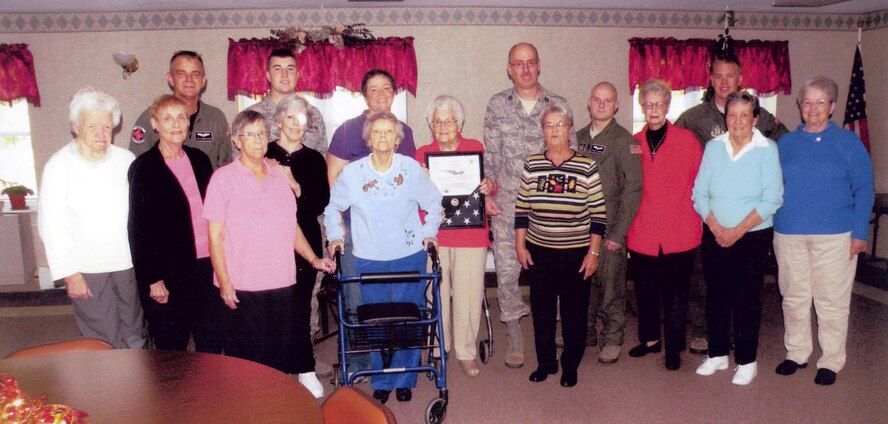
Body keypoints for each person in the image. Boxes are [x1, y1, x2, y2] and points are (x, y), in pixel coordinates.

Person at [203, 110, 335, 398]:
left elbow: (292, 226)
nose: (258, 140)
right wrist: (225, 282)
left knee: (278, 355)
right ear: (236, 140)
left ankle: (275, 406)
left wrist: (313, 258)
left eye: (262, 133)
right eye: (249, 134)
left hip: (282, 281)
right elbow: (214, 238)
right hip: (243, 285)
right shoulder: (222, 179)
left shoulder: (278, 175)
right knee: (248, 359)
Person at [324, 111, 443, 404]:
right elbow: (332, 208)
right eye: (377, 132)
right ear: (368, 139)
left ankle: (405, 376)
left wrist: (429, 233)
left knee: (409, 319)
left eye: (389, 132)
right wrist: (335, 236)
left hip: (409, 255)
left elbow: (435, 203)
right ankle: (382, 379)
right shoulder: (353, 173)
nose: (383, 137)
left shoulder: (411, 169)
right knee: (375, 323)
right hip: (368, 257)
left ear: (398, 138)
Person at [674, 53, 788, 355]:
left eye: (730, 76)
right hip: (708, 215)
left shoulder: (762, 121)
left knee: (746, 289)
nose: (724, 82)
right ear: (711, 80)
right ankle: (705, 334)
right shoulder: (693, 118)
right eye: (718, 76)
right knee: (705, 281)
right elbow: (675, 148)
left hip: (749, 225)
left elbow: (784, 147)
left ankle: (741, 342)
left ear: (740, 79)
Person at [772, 76, 874, 386]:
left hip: (836, 236)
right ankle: (797, 352)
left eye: (820, 102)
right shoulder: (784, 143)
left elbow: (864, 188)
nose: (813, 108)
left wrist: (860, 233)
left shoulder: (848, 143)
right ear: (800, 107)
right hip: (789, 233)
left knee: (831, 300)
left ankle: (831, 359)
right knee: (793, 297)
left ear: (831, 106)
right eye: (807, 102)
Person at [483, 42, 573, 368]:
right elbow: (491, 157)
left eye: (530, 62)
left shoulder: (558, 104)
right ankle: (515, 331)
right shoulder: (497, 105)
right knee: (507, 272)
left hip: (551, 208)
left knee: (554, 269)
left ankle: (557, 324)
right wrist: (488, 194)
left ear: (539, 65)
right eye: (518, 64)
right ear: (509, 68)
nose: (525, 69)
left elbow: (571, 155)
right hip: (507, 204)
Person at [38, 87, 145, 349]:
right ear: (76, 127)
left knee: (134, 329)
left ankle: (136, 384)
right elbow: (50, 223)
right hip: (86, 267)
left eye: (107, 126)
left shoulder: (126, 160)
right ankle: (107, 388)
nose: (100, 133)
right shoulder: (59, 165)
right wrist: (69, 273)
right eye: (92, 126)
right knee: (102, 336)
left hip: (126, 263)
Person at [325, 69, 417, 374]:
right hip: (356, 229)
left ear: (394, 93)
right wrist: (336, 230)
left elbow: (410, 180)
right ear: (364, 95)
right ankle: (362, 362)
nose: (380, 95)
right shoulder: (348, 131)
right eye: (373, 89)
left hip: (395, 231)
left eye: (387, 88)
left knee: (396, 296)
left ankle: (395, 361)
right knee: (358, 295)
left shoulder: (405, 131)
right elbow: (332, 180)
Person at [691, 92, 783, 385]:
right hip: (715, 234)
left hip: (752, 237)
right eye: (732, 114)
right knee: (716, 294)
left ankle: (746, 360)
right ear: (725, 117)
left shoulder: (766, 149)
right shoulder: (713, 147)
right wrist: (717, 228)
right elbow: (699, 194)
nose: (738, 120)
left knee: (746, 299)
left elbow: (773, 199)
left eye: (745, 114)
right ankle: (717, 354)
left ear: (755, 118)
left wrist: (736, 231)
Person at [128, 95, 230, 353]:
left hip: (208, 264)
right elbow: (139, 229)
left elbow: (215, 211)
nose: (176, 124)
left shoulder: (199, 160)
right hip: (169, 271)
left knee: (212, 337)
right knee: (171, 343)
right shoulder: (144, 167)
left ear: (189, 123)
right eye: (167, 118)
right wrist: (153, 278)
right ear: (155, 124)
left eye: (181, 117)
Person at [516, 106, 606, 388]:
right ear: (542, 131)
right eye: (549, 125)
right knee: (541, 311)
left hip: (576, 253)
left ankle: (570, 365)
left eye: (560, 125)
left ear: (570, 129)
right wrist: (520, 245)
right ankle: (545, 363)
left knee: (573, 312)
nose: (554, 130)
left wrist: (593, 253)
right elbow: (521, 210)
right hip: (540, 251)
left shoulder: (586, 165)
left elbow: (598, 215)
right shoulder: (532, 164)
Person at [415, 95, 495, 378]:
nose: (443, 125)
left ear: (459, 123)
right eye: (437, 121)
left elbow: (491, 183)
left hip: (471, 233)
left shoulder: (475, 148)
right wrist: (418, 178)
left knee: (469, 293)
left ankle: (465, 351)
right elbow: (412, 196)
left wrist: (489, 185)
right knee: (434, 292)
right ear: (430, 125)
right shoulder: (420, 154)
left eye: (448, 120)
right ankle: (438, 348)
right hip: (435, 234)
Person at [626, 79, 702, 371]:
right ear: (642, 107)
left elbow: (699, 183)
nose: (654, 109)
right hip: (643, 231)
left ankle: (673, 346)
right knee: (645, 291)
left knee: (676, 294)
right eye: (648, 104)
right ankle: (649, 340)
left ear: (668, 106)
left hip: (679, 232)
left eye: (659, 104)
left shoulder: (687, 140)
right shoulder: (633, 143)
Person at [575, 82, 643, 364]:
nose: (602, 104)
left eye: (608, 100)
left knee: (611, 289)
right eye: (597, 99)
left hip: (610, 227)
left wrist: (618, 233)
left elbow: (633, 190)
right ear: (589, 103)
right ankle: (585, 332)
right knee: (582, 284)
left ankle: (613, 338)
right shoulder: (575, 137)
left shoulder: (626, 141)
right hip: (578, 229)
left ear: (616, 105)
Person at [264, 94, 330, 380]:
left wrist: (295, 186)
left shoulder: (315, 159)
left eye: (301, 119)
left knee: (302, 304)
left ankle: (304, 366)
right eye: (289, 117)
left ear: (307, 126)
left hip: (306, 243)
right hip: (269, 242)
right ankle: (275, 368)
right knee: (274, 304)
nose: (295, 124)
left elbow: (320, 203)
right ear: (278, 121)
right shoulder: (262, 153)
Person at [129, 50, 231, 169]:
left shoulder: (216, 117)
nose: (189, 79)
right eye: (181, 73)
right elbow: (137, 165)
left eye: (195, 74)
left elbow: (225, 165)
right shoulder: (151, 116)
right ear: (170, 78)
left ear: (203, 80)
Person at [246, 48, 327, 156]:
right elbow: (240, 165)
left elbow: (322, 159)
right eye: (277, 69)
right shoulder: (251, 116)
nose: (285, 74)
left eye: (290, 69)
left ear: (297, 75)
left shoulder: (313, 114)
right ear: (268, 76)